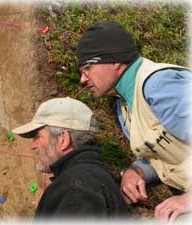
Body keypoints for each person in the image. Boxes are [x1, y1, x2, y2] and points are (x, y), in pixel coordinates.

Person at [75, 21, 192, 223]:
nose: (82, 80)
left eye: (88, 68)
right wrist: (136, 171)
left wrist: (188, 199)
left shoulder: (158, 86)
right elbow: (164, 154)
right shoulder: (124, 106)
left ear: (115, 61)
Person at [12, 97, 127, 220]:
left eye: (37, 136)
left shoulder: (78, 186)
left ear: (63, 139)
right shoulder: (91, 178)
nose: (32, 145)